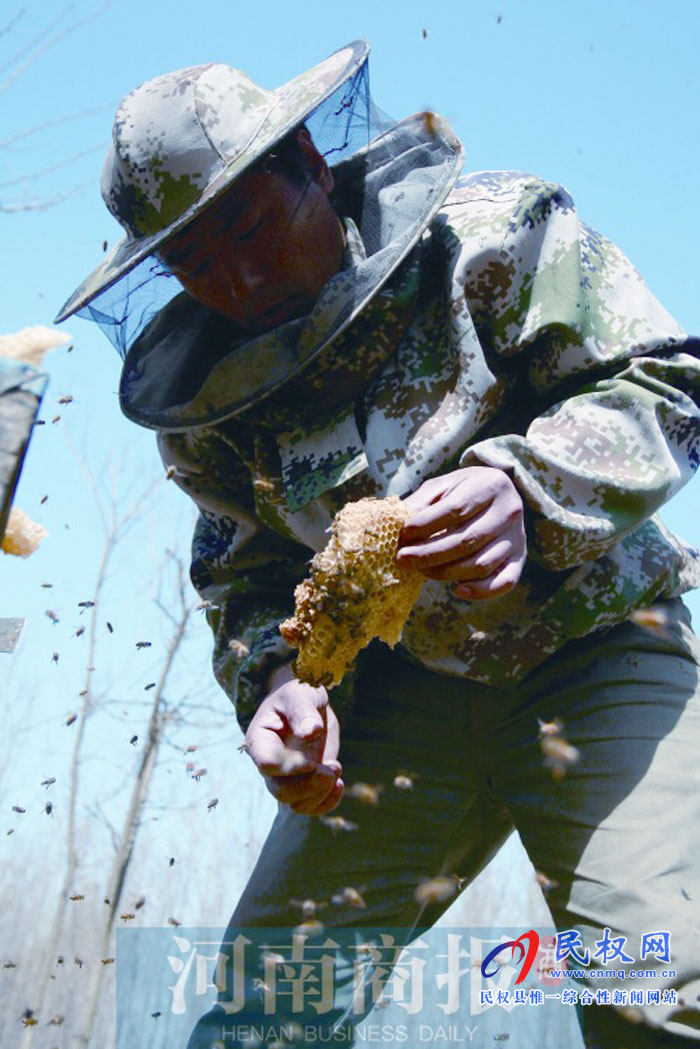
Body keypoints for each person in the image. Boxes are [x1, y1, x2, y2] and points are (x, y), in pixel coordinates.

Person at [56, 40, 700, 1048]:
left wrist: (523, 488)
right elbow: (245, 573)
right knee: (263, 1022)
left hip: (597, 645)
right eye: (193, 261)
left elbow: (669, 385)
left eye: (250, 226)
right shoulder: (211, 413)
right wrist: (276, 679)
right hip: (396, 701)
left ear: (311, 164)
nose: (242, 274)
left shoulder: (492, 239)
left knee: (652, 990)